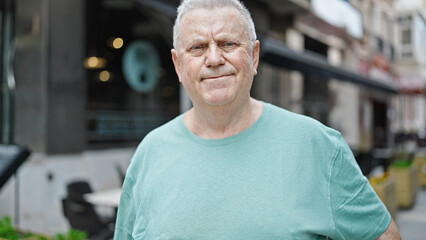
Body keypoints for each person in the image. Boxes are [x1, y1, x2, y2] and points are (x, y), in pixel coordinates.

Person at [114, 0, 401, 239]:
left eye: (227, 44)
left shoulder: (317, 146)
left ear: (254, 55)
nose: (213, 59)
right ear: (178, 65)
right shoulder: (150, 152)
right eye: (197, 47)